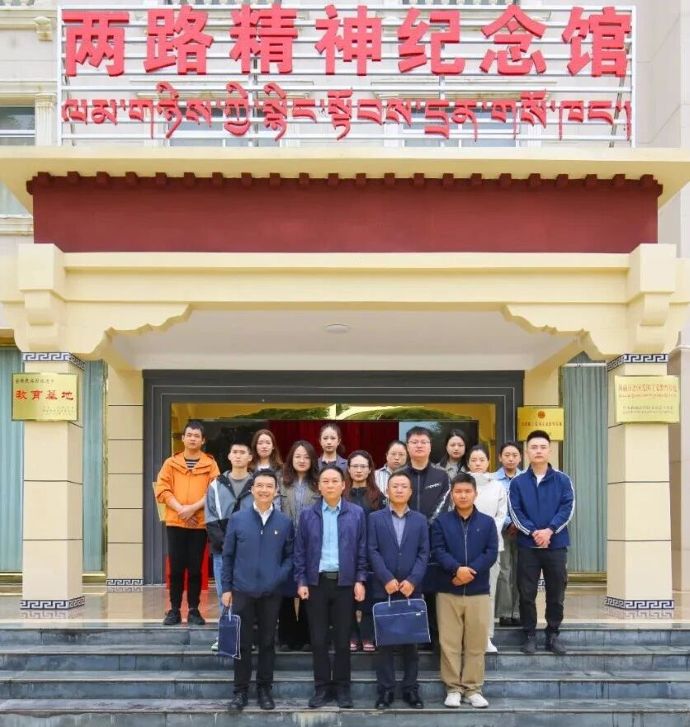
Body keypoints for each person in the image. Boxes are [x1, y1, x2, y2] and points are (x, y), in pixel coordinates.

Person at [294, 465, 368, 709]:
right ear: (319, 486)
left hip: (345, 583)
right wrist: (301, 581)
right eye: (325, 481)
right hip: (316, 584)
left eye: (335, 480)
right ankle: (322, 688)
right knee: (318, 639)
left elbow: (362, 549)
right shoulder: (308, 514)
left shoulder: (356, 513)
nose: (330, 485)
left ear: (343, 485)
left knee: (343, 639)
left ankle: (343, 688)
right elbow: (300, 551)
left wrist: (360, 579)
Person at [222, 470, 294, 712]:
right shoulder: (238, 519)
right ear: (252, 490)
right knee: (242, 643)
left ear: (276, 491)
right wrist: (226, 587)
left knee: (267, 642)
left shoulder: (284, 522)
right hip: (242, 591)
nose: (264, 490)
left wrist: (277, 577)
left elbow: (290, 557)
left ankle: (265, 689)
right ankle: (240, 691)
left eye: (269, 486)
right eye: (259, 486)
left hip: (271, 593)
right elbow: (228, 555)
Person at [431, 472, 498, 710]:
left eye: (467, 491)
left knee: (476, 643)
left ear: (475, 494)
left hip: (478, 592)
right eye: (458, 491)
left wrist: (470, 572)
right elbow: (438, 550)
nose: (462, 495)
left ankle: (473, 688)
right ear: (452, 494)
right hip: (448, 590)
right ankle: (453, 688)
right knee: (449, 642)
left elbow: (491, 552)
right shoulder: (441, 522)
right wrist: (456, 570)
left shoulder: (487, 523)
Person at [508, 430, 575, 656]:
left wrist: (550, 530)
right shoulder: (518, 482)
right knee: (526, 593)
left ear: (549, 450)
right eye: (534, 447)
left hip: (556, 545)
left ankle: (553, 634)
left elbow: (567, 508)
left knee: (556, 592)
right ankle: (529, 634)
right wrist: (533, 532)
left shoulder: (563, 480)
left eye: (542, 447)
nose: (538, 451)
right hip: (528, 546)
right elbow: (515, 511)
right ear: (527, 451)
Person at [368, 470, 429, 710]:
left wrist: (413, 580)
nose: (400, 490)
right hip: (384, 589)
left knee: (411, 644)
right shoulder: (375, 518)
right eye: (395, 486)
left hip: (411, 590)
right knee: (383, 644)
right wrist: (386, 578)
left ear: (411, 492)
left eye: (404, 486)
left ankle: (411, 689)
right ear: (387, 491)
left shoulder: (420, 520)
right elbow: (372, 550)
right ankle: (385, 691)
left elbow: (424, 552)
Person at [155, 420, 220, 627]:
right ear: (183, 438)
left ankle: (193, 609)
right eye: (189, 435)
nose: (192, 438)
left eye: (196, 436)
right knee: (175, 568)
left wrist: (192, 509)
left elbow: (214, 492)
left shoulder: (210, 464)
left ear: (203, 440)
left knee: (195, 569)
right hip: (176, 523)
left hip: (199, 524)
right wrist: (181, 510)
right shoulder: (170, 463)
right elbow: (162, 489)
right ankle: (174, 610)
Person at [402, 426, 451, 646]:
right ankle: (408, 640)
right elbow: (396, 505)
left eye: (423, 442)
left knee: (433, 593)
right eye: (414, 442)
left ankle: (434, 640)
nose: (419, 445)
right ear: (408, 446)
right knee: (407, 589)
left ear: (430, 446)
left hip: (434, 543)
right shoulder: (400, 476)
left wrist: (423, 530)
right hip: (404, 543)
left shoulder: (442, 476)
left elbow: (443, 508)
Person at [205, 439, 255, 651]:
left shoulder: (257, 483)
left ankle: (247, 638)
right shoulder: (215, 485)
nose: (238, 455)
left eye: (243, 452)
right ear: (229, 456)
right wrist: (228, 547)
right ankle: (226, 637)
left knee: (249, 595)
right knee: (224, 594)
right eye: (235, 452)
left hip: (251, 552)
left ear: (250, 457)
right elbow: (210, 519)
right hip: (222, 551)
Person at [278, 440, 320, 651]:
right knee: (285, 591)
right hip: (284, 543)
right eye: (297, 456)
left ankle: (306, 637)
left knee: (308, 590)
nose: (302, 460)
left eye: (306, 457)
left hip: (310, 544)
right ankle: (286, 637)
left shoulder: (319, 483)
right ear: (290, 459)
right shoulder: (280, 481)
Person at [467, 444, 507, 654]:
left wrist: (485, 536)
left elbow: (501, 516)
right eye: (473, 460)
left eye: (481, 460)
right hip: (463, 547)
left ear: (489, 462)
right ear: (468, 463)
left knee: (488, 593)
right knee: (464, 595)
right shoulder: (460, 484)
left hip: (490, 547)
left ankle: (486, 636)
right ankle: (466, 635)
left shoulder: (498, 486)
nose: (478, 463)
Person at [344, 449, 383, 652]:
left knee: (370, 595)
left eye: (363, 466)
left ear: (369, 470)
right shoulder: (342, 495)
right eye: (355, 466)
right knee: (347, 595)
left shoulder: (378, 497)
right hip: (346, 552)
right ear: (348, 469)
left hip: (372, 552)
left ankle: (368, 635)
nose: (359, 470)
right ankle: (352, 634)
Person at [493, 441, 524, 627]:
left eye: (514, 455)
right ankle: (504, 612)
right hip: (501, 530)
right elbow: (494, 505)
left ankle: (518, 611)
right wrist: (508, 523)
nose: (511, 458)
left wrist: (519, 524)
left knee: (521, 571)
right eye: (507, 455)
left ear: (520, 457)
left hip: (524, 532)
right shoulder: (493, 480)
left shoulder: (526, 478)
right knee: (504, 571)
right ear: (500, 457)